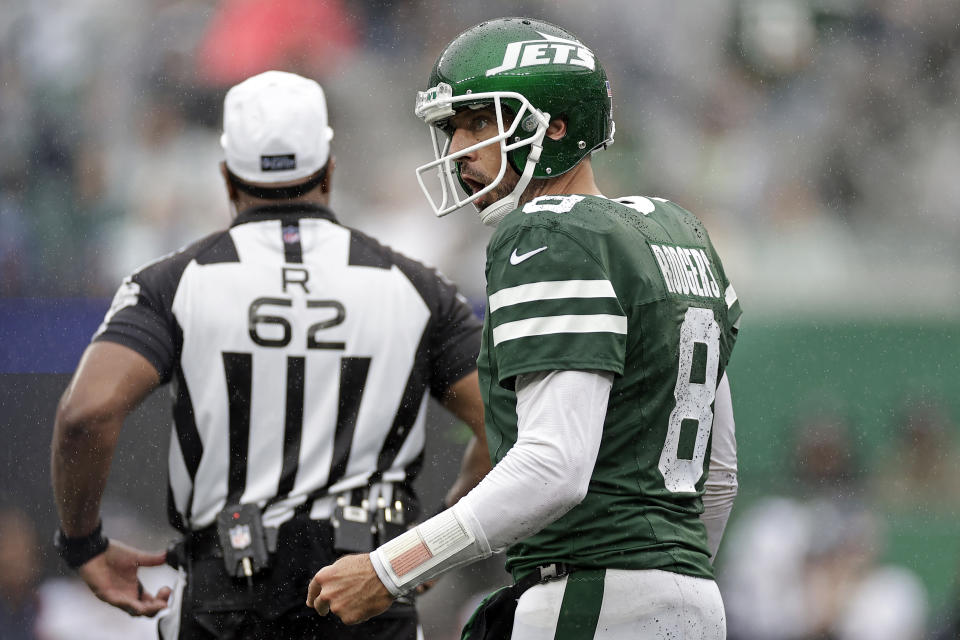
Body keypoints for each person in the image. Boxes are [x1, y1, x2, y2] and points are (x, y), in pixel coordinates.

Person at [307, 17, 742, 639]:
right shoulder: (678, 231)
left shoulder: (549, 233)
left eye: (481, 122)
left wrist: (387, 569)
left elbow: (552, 467)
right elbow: (718, 477)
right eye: (454, 127)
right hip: (694, 600)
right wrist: (669, 583)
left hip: (588, 593)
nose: (460, 149)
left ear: (555, 125)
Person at [51, 70, 488, 640]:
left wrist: (83, 542)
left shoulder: (174, 282)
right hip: (368, 587)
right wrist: (435, 539)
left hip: (230, 594)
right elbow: (505, 419)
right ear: (329, 170)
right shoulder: (415, 287)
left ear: (228, 177)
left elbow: (87, 413)